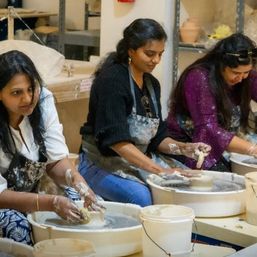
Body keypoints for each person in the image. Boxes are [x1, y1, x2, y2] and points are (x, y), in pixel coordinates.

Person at [79, 18, 210, 207]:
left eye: (160, 54)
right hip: (101, 160)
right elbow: (116, 142)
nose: (155, 60)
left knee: (190, 184)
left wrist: (183, 148)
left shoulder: (151, 84)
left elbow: (157, 138)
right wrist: (159, 171)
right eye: (149, 54)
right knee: (143, 198)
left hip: (136, 159)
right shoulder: (113, 80)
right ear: (131, 50)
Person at [0, 50, 100, 245]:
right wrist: (50, 203)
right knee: (21, 230)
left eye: (31, 88)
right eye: (16, 92)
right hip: (4, 200)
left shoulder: (43, 99)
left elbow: (55, 161)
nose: (28, 99)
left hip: (34, 188)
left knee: (83, 205)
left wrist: (79, 181)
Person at [167, 33, 257, 171]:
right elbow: (208, 129)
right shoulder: (199, 77)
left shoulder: (246, 76)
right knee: (229, 181)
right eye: (235, 73)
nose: (241, 78)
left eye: (245, 73)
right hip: (189, 144)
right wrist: (251, 149)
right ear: (221, 64)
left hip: (223, 141)